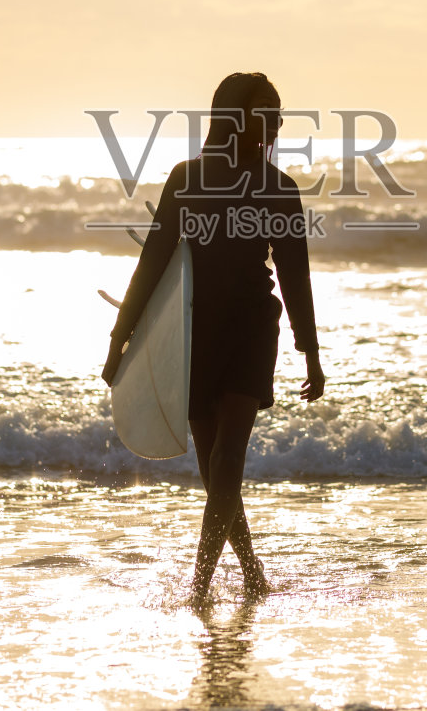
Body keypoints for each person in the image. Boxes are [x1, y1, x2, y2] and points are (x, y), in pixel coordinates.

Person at [104, 72, 325, 607]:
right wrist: (120, 339)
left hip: (251, 326)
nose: (273, 123)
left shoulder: (280, 189)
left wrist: (309, 350)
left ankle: (198, 586)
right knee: (213, 469)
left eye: (277, 113)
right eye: (264, 112)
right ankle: (253, 575)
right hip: (195, 331)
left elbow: (295, 275)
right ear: (233, 116)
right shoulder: (187, 180)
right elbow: (153, 262)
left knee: (229, 457)